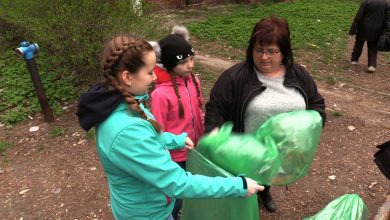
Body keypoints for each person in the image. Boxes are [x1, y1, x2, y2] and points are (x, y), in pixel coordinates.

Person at [75, 33, 264, 220]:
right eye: (149, 72)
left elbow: (148, 137)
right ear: (127, 77)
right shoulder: (126, 131)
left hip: (147, 204)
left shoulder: (124, 102)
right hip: (147, 215)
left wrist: (175, 140)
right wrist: (238, 186)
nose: (155, 78)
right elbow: (178, 183)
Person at [204, 16, 326, 213]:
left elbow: (316, 104)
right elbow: (216, 108)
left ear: (284, 52)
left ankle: (264, 191)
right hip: (243, 153)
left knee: (266, 176)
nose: (264, 57)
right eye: (259, 50)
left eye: (272, 51)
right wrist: (213, 132)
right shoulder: (235, 77)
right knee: (241, 194)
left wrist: (312, 123)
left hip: (280, 152)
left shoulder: (299, 75)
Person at [150, 26, 204, 220]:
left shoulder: (192, 81)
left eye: (192, 59)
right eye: (184, 62)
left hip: (193, 148)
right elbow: (158, 130)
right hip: (175, 155)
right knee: (176, 195)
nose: (190, 65)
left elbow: (197, 110)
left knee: (191, 188)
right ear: (169, 63)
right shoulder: (160, 94)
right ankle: (173, 214)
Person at [349, 0, 389, 73]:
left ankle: (354, 60)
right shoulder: (386, 3)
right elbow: (387, 18)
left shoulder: (366, 1)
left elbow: (359, 15)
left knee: (359, 43)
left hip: (363, 27)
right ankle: (372, 65)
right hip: (377, 28)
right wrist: (387, 30)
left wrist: (353, 29)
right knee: (373, 47)